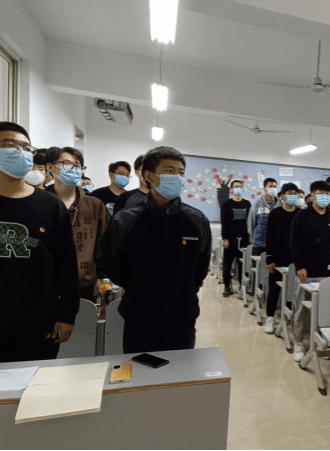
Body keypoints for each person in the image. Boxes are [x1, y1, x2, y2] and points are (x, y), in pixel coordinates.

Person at [99, 146, 212, 354]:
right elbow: (111, 261)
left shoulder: (196, 220)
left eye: (180, 173)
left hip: (182, 320)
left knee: (179, 371)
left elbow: (201, 267)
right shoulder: (126, 220)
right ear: (149, 176)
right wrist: (138, 287)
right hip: (140, 318)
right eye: (169, 171)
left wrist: (183, 290)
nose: (176, 177)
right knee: (139, 371)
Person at [0, 122, 79, 363]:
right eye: (9, 145)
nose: (20, 152)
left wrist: (67, 315)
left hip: (37, 320)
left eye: (26, 147)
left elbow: (67, 266)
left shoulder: (50, 205)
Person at [45, 147, 111, 301]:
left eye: (78, 166)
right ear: (50, 167)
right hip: (46, 285)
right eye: (67, 163)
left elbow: (103, 244)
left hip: (85, 285)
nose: (74, 169)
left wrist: (101, 277)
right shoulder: (41, 202)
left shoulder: (94, 205)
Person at [290, 180, 330, 361]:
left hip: (327, 272)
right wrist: (300, 266)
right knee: (301, 309)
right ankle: (298, 341)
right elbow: (294, 243)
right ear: (312, 195)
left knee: (325, 309)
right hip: (306, 272)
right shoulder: (302, 216)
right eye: (320, 193)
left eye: (327, 194)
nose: (324, 197)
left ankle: (322, 342)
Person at [264, 183, 300, 334]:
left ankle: (290, 318)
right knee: (274, 289)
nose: (293, 196)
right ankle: (270, 317)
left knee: (293, 290)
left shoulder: (300, 213)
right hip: (278, 257)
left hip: (295, 258)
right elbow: (269, 236)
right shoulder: (275, 213)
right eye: (290, 193)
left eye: (295, 193)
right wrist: (269, 258)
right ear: (283, 196)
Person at [220, 179, 252, 297]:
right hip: (230, 238)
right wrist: (225, 238)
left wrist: (249, 236)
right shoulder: (226, 204)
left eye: (240, 186)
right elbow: (224, 222)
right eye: (236, 186)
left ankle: (243, 286)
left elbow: (250, 221)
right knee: (227, 264)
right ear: (232, 189)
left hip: (244, 238)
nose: (238, 188)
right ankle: (227, 286)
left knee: (243, 264)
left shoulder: (247, 204)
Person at [247, 177, 281, 256]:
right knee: (258, 263)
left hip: (276, 243)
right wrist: (251, 237)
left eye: (275, 187)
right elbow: (251, 222)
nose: (273, 189)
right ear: (265, 188)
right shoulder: (257, 204)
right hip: (259, 243)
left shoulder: (280, 204)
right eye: (270, 186)